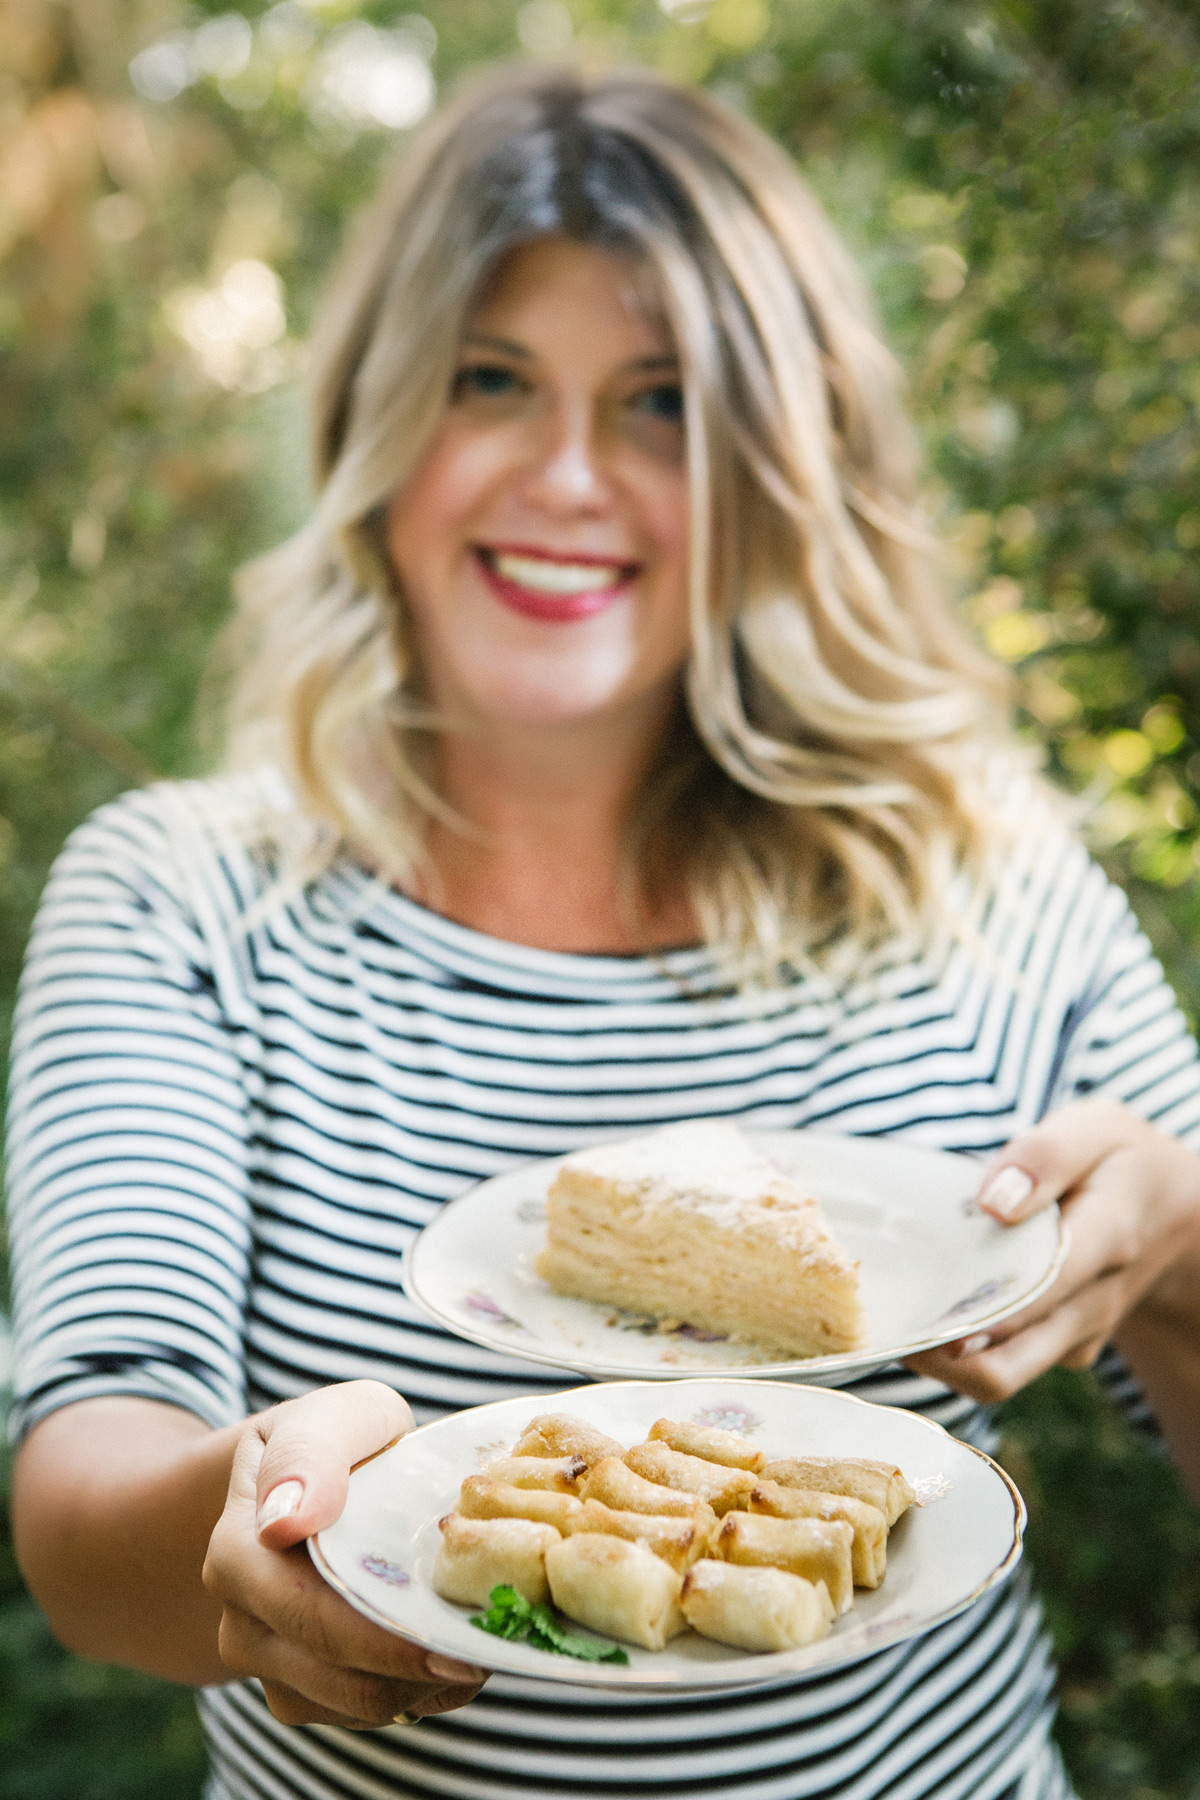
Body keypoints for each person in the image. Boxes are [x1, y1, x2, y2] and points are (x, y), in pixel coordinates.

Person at [7, 62, 1200, 1800]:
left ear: (781, 466)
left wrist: (1175, 1255)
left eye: (662, 404)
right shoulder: (184, 896)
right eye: (492, 381)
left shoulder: (987, 887)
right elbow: (82, 1519)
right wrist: (245, 1511)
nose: (568, 475)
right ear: (375, 421)